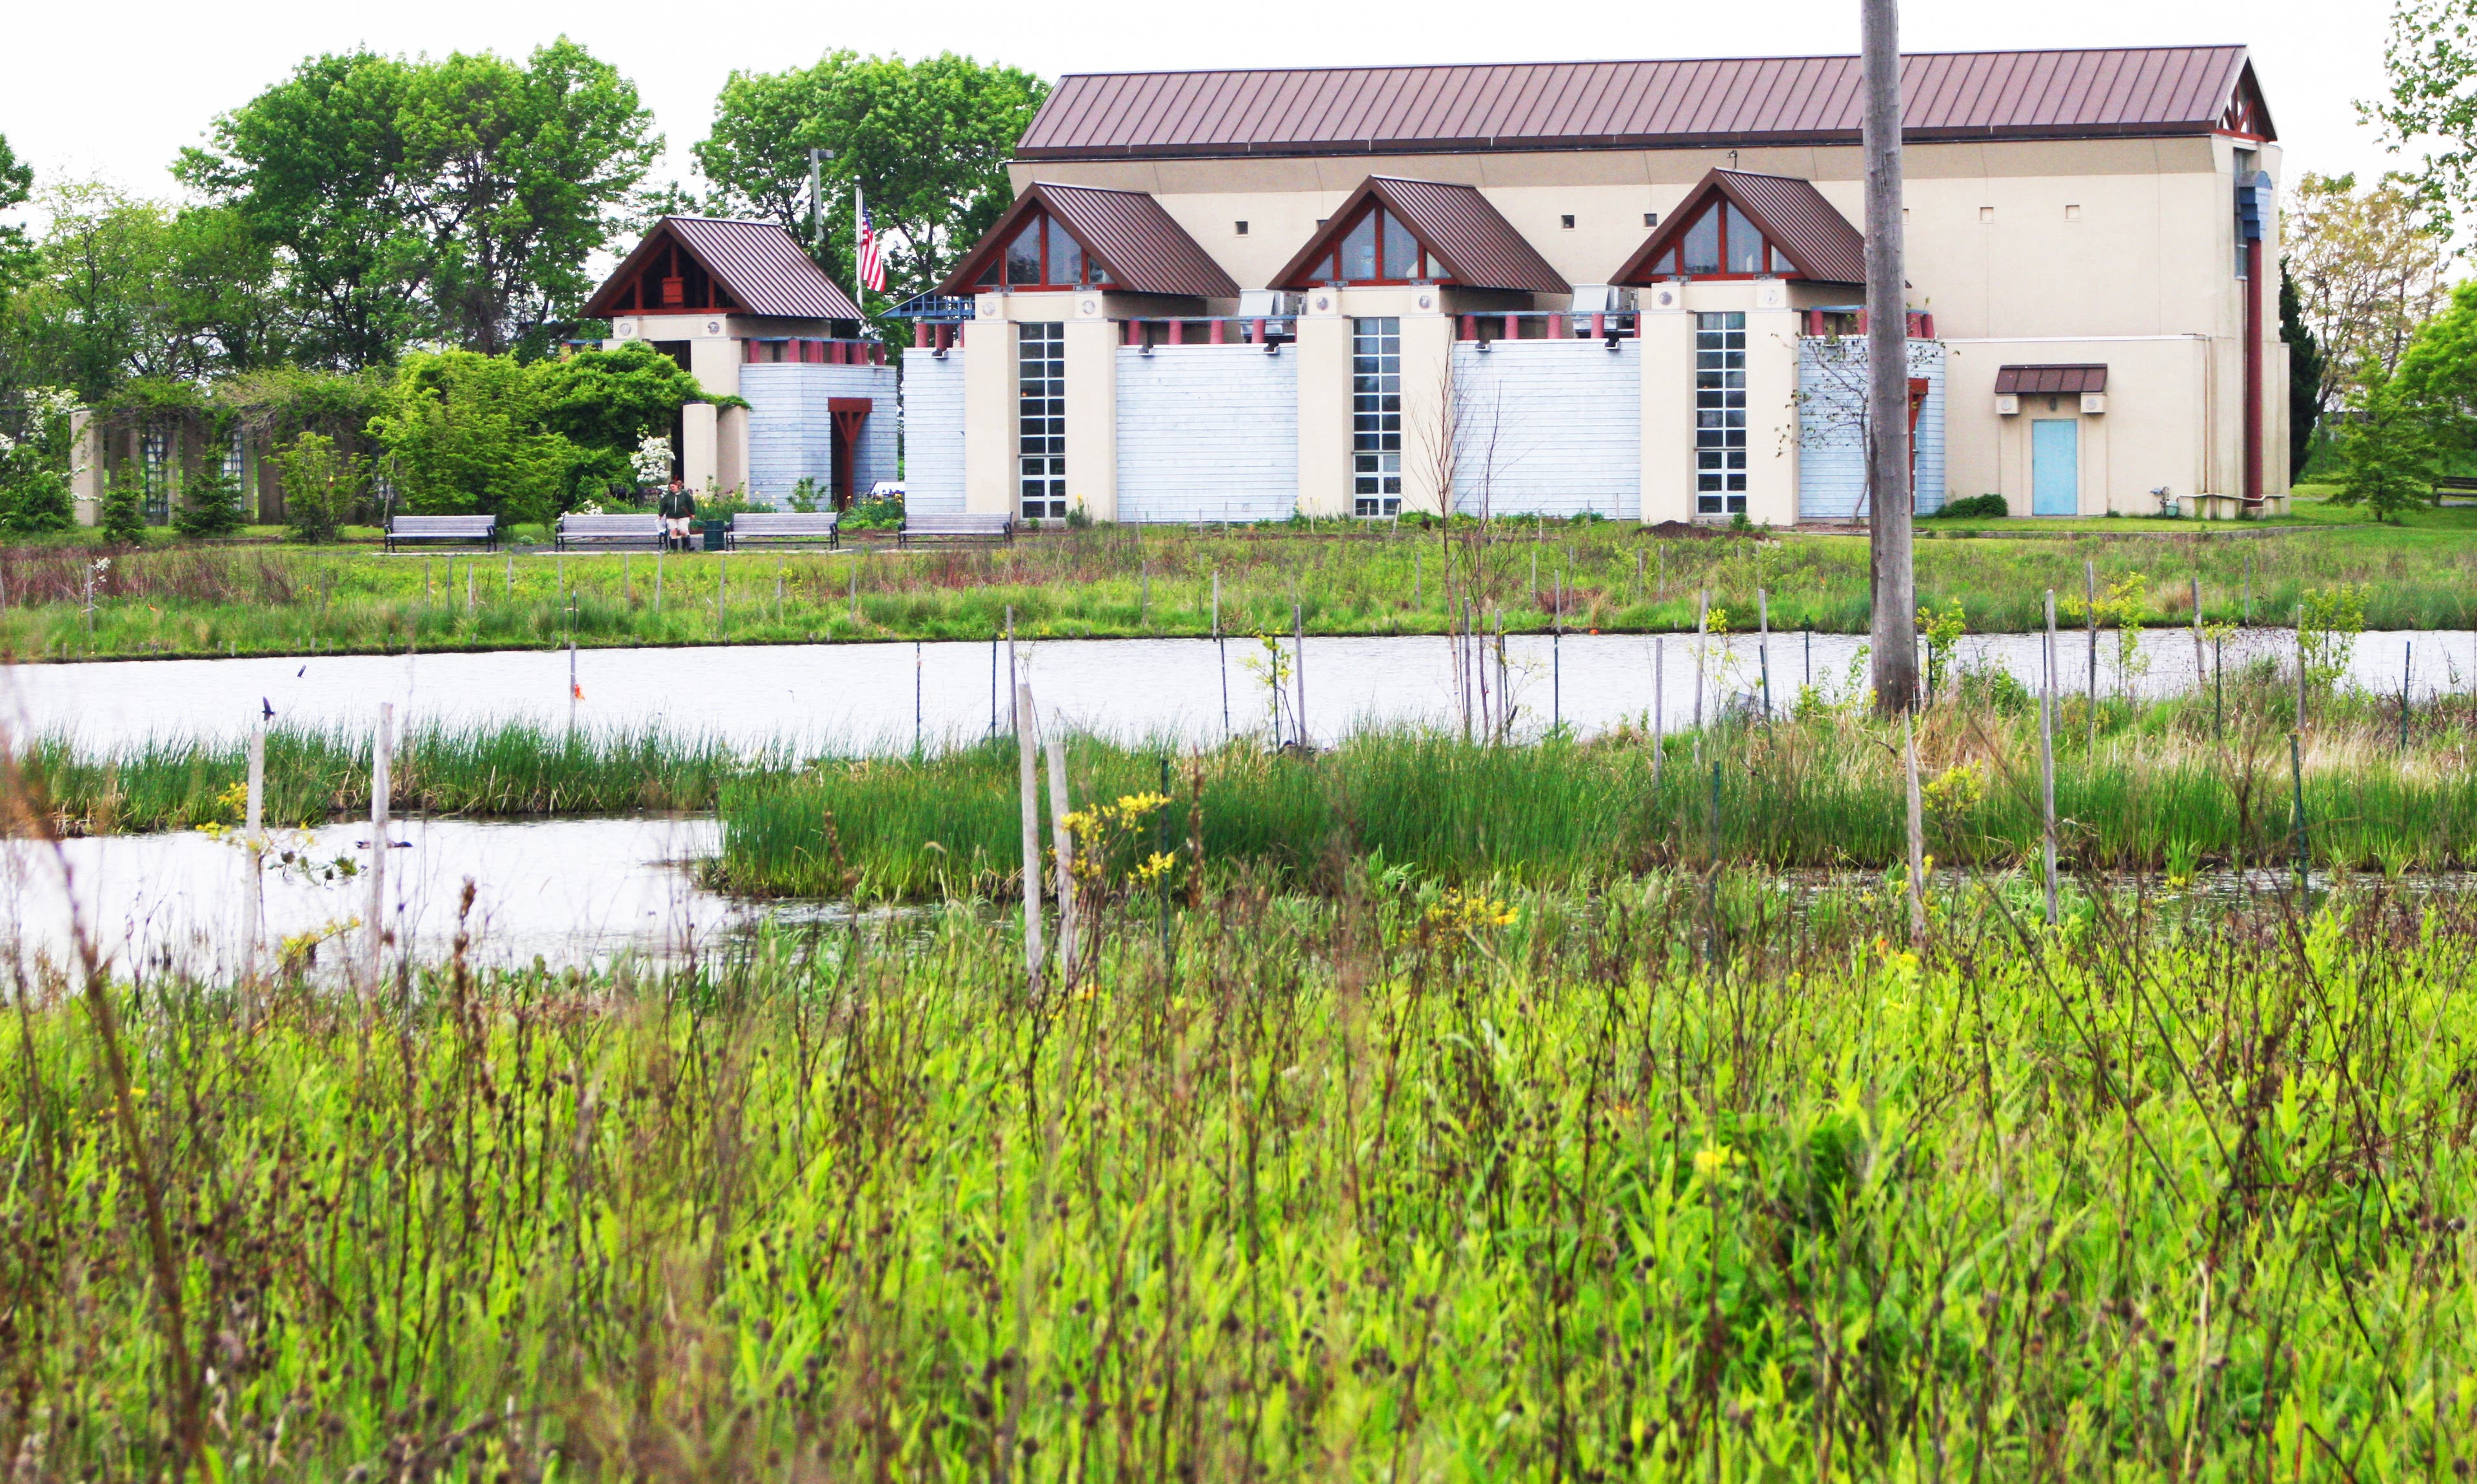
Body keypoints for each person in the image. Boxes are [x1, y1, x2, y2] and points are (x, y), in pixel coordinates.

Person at [659, 479, 696, 551]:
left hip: (683, 516)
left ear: (677, 486)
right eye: (670, 487)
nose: (672, 488)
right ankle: (674, 549)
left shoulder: (685, 494)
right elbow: (663, 506)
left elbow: (691, 504)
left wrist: (692, 513)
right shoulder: (667, 497)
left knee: (683, 531)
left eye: (673, 487)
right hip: (671, 517)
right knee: (673, 531)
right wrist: (661, 515)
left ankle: (686, 547)